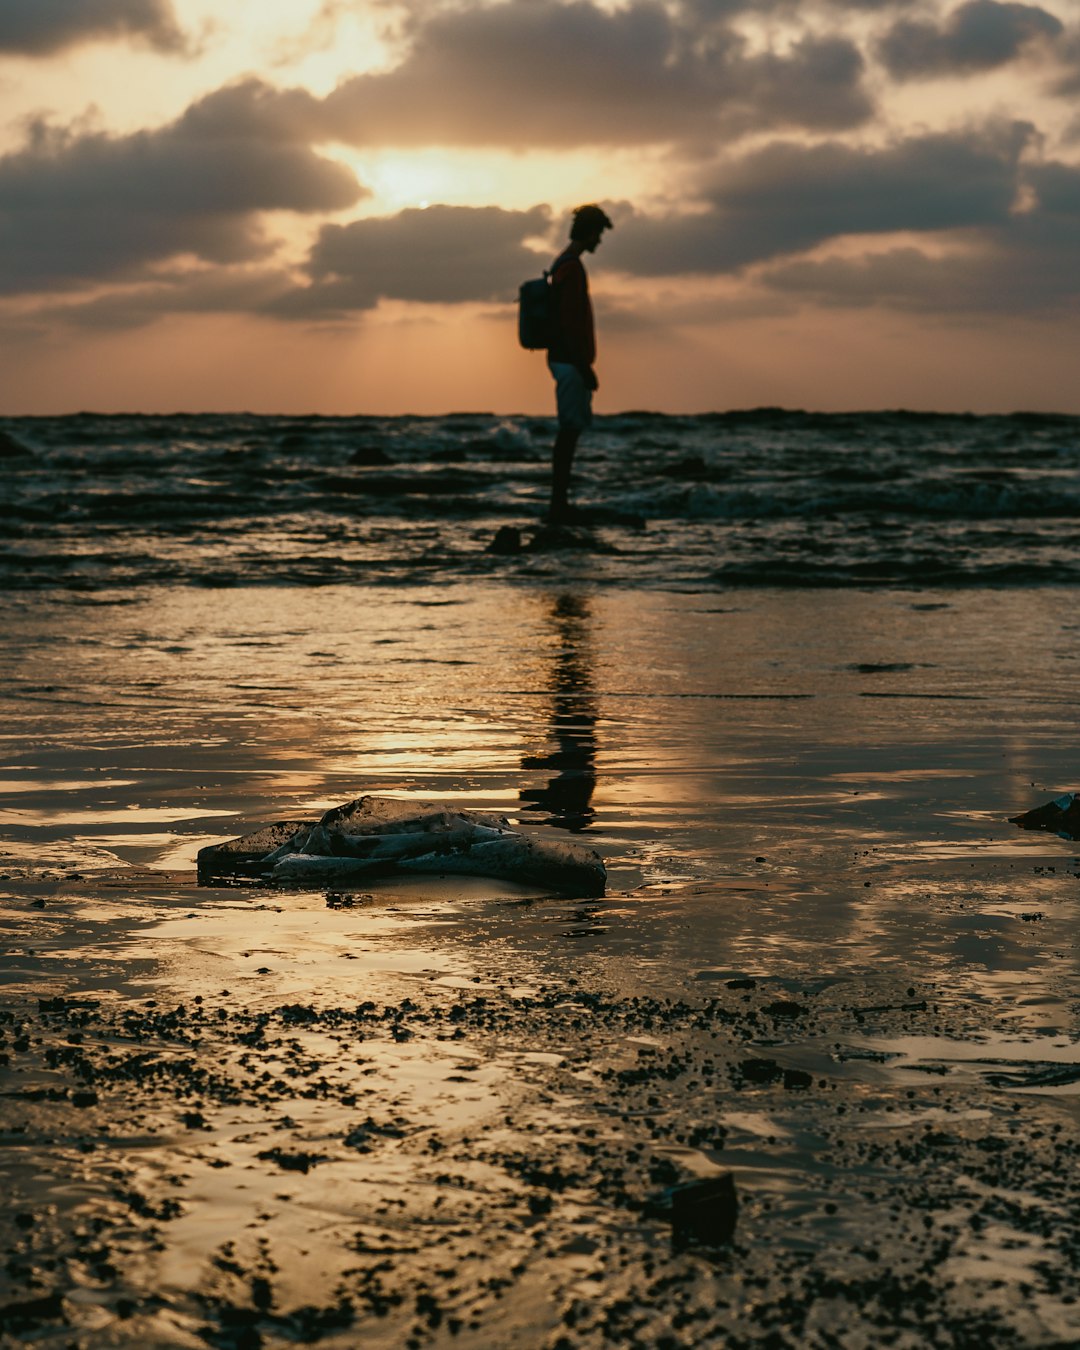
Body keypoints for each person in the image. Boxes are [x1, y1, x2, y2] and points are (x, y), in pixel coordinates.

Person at [546, 204, 613, 522]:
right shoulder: (572, 268)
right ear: (589, 232)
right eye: (598, 234)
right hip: (569, 361)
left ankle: (559, 501)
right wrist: (585, 368)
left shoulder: (562, 263)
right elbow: (570, 322)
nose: (599, 241)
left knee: (569, 431)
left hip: (564, 359)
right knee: (569, 432)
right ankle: (558, 503)